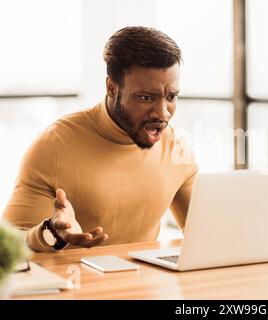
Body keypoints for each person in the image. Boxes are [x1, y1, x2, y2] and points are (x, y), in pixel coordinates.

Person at [2, 26, 198, 252]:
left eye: (171, 97)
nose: (163, 113)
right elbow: (8, 247)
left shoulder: (177, 148)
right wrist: (51, 233)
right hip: (75, 284)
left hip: (143, 284)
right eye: (145, 98)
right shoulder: (54, 146)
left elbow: (207, 234)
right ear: (112, 88)